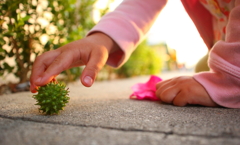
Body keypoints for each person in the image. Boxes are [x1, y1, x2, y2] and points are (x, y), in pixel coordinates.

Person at [30, 0, 240, 108]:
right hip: (223, 44)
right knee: (202, 68)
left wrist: (230, 80)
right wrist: (100, 39)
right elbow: (141, 4)